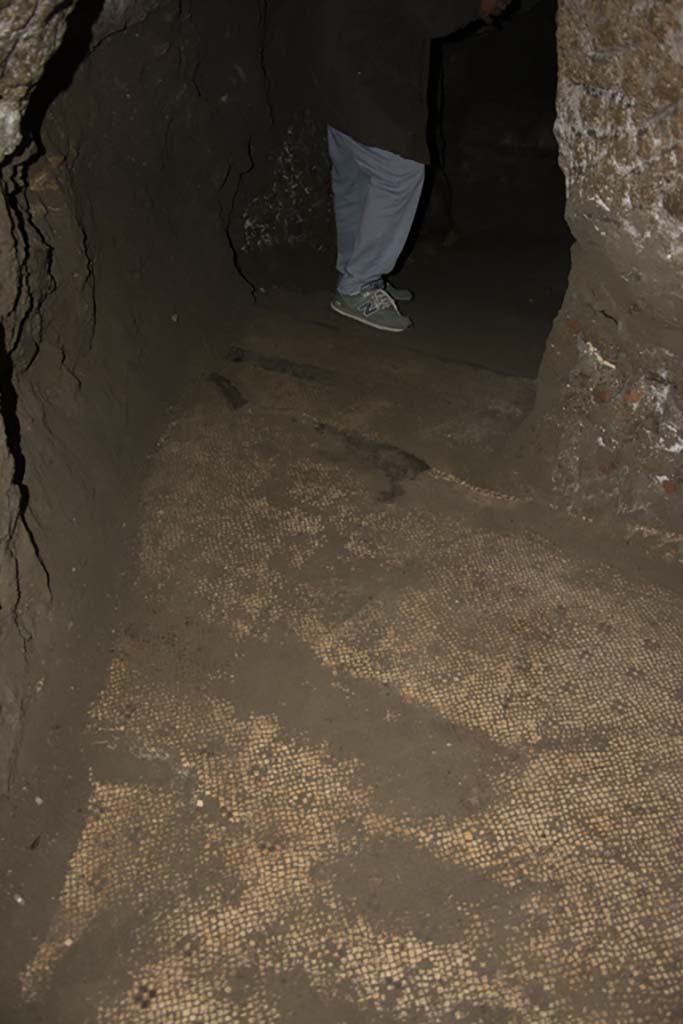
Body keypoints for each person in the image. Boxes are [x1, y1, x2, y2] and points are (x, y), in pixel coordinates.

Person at [317, 0, 512, 333]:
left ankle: (360, 274)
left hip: (342, 68)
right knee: (400, 172)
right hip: (367, 78)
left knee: (356, 178)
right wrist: (479, 6)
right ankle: (358, 287)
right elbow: (432, 14)